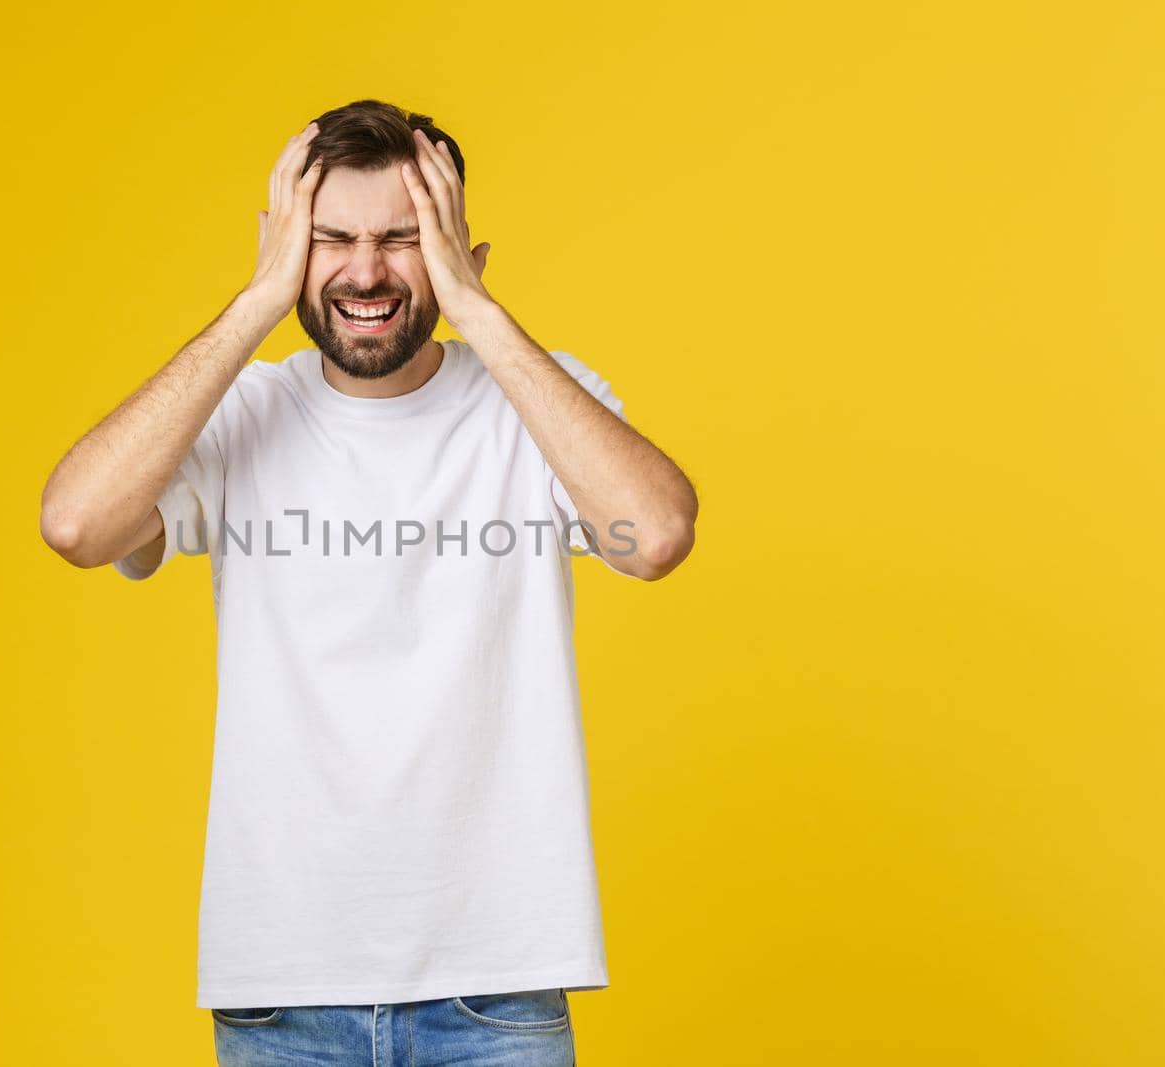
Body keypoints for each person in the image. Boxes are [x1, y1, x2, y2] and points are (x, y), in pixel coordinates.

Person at [40, 98, 699, 1065]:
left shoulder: (536, 400)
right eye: (331, 238)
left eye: (404, 238)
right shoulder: (239, 416)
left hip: (497, 988)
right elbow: (76, 523)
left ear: (458, 249)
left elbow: (656, 535)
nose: (366, 270)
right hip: (282, 996)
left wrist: (476, 309)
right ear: (287, 250)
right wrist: (256, 304)